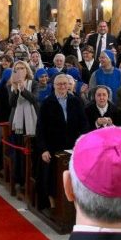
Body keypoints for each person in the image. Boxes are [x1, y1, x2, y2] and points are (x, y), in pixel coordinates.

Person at [34, 74, 89, 208]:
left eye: (65, 84)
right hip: (52, 146)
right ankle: (53, 204)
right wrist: (43, 149)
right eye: (59, 84)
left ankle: (74, 204)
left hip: (72, 145)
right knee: (51, 174)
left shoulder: (75, 101)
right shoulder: (47, 103)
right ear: (54, 86)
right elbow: (40, 128)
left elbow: (84, 124)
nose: (63, 86)